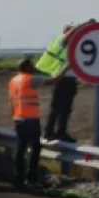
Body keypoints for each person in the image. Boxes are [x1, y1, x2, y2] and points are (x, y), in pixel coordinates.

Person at [9, 58, 70, 189]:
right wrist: (66, 67)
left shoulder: (14, 81)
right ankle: (31, 178)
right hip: (30, 119)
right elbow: (55, 80)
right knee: (35, 148)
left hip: (18, 118)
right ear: (26, 68)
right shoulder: (31, 79)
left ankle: (18, 178)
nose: (33, 68)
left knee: (21, 148)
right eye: (31, 66)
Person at [35, 19, 95, 142]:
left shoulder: (71, 45)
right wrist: (85, 23)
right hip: (61, 77)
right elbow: (71, 34)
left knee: (64, 108)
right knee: (58, 107)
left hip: (68, 78)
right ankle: (51, 132)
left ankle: (58, 132)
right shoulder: (61, 40)